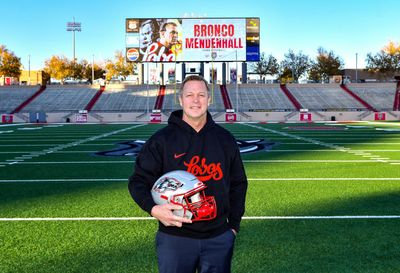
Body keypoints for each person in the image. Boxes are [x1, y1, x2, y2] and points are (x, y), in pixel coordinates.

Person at [128, 75, 248, 273]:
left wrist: (233, 227)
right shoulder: (162, 140)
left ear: (209, 99)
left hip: (218, 237)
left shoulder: (225, 139)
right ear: (180, 99)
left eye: (201, 95)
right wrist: (152, 209)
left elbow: (238, 183)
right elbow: (138, 181)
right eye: (189, 95)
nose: (195, 100)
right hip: (175, 238)